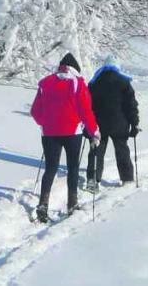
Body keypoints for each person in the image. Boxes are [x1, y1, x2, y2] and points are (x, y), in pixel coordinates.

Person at [30, 53, 100, 223]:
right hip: (72, 132)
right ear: (75, 68)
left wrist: (45, 123)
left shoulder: (45, 83)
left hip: (49, 134)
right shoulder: (77, 83)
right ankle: (72, 203)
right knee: (73, 167)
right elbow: (85, 110)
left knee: (50, 168)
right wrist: (94, 130)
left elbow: (35, 111)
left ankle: (43, 204)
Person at [85, 55, 139, 193]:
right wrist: (134, 124)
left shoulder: (95, 82)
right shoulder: (124, 82)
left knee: (97, 151)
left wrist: (87, 125)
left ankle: (93, 180)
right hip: (119, 123)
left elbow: (87, 105)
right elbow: (131, 105)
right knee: (122, 150)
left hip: (99, 124)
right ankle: (126, 178)